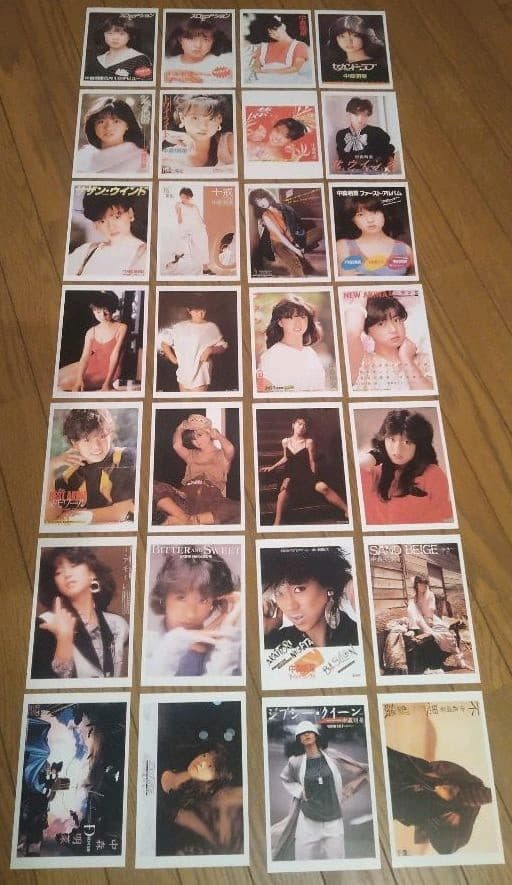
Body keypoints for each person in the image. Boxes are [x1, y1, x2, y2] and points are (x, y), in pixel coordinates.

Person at [272, 721, 369, 861]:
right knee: (304, 862)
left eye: (309, 732)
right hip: (307, 822)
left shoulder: (332, 755)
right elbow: (286, 779)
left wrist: (352, 786)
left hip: (333, 821)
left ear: (316, 735)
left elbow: (360, 769)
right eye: (302, 734)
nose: (306, 735)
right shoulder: (295, 761)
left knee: (337, 861)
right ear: (299, 740)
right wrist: (300, 791)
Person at [31, 547, 129, 680]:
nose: (67, 574)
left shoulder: (118, 624)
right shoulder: (46, 623)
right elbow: (43, 685)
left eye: (73, 565)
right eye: (58, 572)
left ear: (92, 572)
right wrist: (64, 639)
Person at [145, 549, 241, 678]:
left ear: (214, 603)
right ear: (163, 597)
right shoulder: (146, 645)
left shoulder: (230, 649)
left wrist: (228, 622)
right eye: (181, 598)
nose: (191, 614)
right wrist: (175, 641)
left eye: (203, 600)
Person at [387, 746, 492, 855]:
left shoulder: (423, 810)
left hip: (420, 801)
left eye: (451, 791)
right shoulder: (464, 782)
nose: (444, 787)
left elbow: (446, 848)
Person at [358, 409, 453, 525]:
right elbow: (352, 473)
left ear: (419, 445)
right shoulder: (373, 472)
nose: (397, 449)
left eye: (407, 442)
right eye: (392, 439)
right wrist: (376, 454)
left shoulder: (432, 474)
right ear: (384, 439)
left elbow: (439, 520)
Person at [44, 408, 136, 526]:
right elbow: (51, 517)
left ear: (111, 433)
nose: (96, 446)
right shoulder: (71, 475)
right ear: (74, 443)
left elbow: (125, 511)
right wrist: (50, 468)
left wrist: (79, 516)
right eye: (86, 440)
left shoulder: (125, 457)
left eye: (102, 436)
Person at [262, 546, 358, 654]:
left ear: (328, 584)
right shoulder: (272, 643)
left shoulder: (360, 634)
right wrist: (264, 635)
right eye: (278, 593)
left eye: (299, 589)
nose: (290, 607)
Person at [259, 415, 348, 526]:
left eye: (304, 426)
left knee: (323, 487)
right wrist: (272, 467)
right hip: (290, 473)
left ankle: (347, 510)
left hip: (304, 473)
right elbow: (286, 457)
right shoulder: (285, 441)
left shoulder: (308, 442)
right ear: (293, 425)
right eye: (299, 424)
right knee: (283, 491)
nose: (302, 427)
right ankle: (277, 522)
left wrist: (313, 477)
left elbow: (312, 461)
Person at [153, 413, 240, 526]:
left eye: (200, 435)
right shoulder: (191, 455)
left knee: (239, 509)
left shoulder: (222, 456)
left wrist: (218, 436)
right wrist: (179, 429)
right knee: (153, 487)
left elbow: (230, 448)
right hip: (185, 496)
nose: (197, 441)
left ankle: (186, 520)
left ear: (209, 434)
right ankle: (184, 518)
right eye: (193, 439)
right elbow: (176, 446)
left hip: (211, 499)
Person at [159, 744, 243, 855]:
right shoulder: (168, 757)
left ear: (213, 781)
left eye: (210, 767)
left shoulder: (185, 807)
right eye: (204, 755)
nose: (202, 762)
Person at [345, 292, 433, 391]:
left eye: (396, 320)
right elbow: (352, 331)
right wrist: (363, 294)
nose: (393, 329)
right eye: (381, 324)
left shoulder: (424, 360)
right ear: (367, 331)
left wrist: (406, 360)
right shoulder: (362, 362)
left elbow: (429, 396)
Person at [57, 291, 128, 392]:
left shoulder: (122, 328)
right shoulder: (91, 331)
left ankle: (104, 381)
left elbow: (115, 355)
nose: (102, 316)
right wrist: (79, 379)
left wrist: (107, 383)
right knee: (57, 376)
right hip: (93, 363)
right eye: (98, 312)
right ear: (93, 311)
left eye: (106, 312)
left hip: (110, 369)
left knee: (64, 384)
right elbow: (85, 357)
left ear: (112, 310)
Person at [67, 192, 147, 278]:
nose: (111, 227)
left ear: (130, 214)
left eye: (117, 217)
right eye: (102, 221)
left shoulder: (145, 254)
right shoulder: (86, 250)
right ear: (95, 225)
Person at [257, 295, 326, 392]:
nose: (298, 323)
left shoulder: (311, 353)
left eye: (303, 317)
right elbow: (263, 392)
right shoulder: (271, 356)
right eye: (291, 317)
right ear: (280, 322)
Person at [158, 297, 228, 392]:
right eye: (196, 311)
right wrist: (173, 359)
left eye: (203, 311)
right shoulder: (180, 327)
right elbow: (164, 343)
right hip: (183, 374)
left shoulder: (211, 327)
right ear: (189, 310)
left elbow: (223, 346)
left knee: (196, 401)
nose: (200, 314)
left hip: (200, 375)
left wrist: (210, 350)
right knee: (184, 401)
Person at [336, 195, 414, 277]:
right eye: (360, 215)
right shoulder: (344, 246)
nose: (370, 220)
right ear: (353, 220)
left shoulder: (404, 249)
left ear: (384, 214)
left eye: (375, 212)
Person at [248, 189, 317, 278]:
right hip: (279, 243)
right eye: (257, 203)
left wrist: (299, 242)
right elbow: (280, 236)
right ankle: (300, 278)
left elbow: (296, 226)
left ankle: (301, 253)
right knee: (294, 263)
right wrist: (296, 250)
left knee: (319, 231)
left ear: (266, 196)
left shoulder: (284, 208)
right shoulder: (266, 216)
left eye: (261, 199)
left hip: (292, 238)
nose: (261, 203)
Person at [75, 96, 148, 175]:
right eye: (101, 122)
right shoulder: (83, 156)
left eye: (116, 121)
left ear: (127, 125)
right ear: (93, 126)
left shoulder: (141, 158)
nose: (108, 127)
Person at [162, 94, 234, 171]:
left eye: (211, 118)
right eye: (195, 118)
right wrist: (163, 134)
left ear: (220, 119)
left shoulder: (228, 142)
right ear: (182, 118)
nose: (203, 126)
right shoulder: (171, 154)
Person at [163, 15, 233, 85]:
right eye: (191, 39)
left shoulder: (226, 61)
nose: (198, 45)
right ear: (180, 39)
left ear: (213, 41)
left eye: (206, 40)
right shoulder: (167, 64)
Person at [321, 14, 388, 85]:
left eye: (355, 35)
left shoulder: (380, 67)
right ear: (335, 39)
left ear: (364, 37)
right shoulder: (331, 66)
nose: (348, 41)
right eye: (342, 36)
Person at [85, 13, 153, 82]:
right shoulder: (97, 60)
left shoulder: (140, 60)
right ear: (103, 34)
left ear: (130, 36)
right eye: (110, 33)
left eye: (121, 34)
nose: (115, 38)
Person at [336, 97, 395, 174]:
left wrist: (391, 160)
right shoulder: (341, 135)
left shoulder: (378, 132)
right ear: (349, 114)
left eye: (364, 115)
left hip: (376, 174)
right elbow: (342, 157)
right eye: (356, 115)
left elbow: (388, 150)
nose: (360, 119)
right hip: (351, 175)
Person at [245, 14, 309, 82]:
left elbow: (295, 68)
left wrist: (269, 72)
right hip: (264, 80)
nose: (275, 34)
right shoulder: (263, 47)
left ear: (283, 26)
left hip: (288, 80)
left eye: (275, 30)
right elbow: (255, 66)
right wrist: (259, 70)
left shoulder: (299, 45)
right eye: (270, 33)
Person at [164, 187, 212, 275]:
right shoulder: (179, 205)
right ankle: (172, 263)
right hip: (186, 230)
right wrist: (179, 211)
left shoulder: (195, 206)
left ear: (189, 197)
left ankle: (205, 268)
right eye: (181, 197)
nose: (182, 199)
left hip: (199, 230)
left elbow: (200, 219)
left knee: (203, 248)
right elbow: (179, 220)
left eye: (184, 197)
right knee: (181, 249)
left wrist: (204, 228)